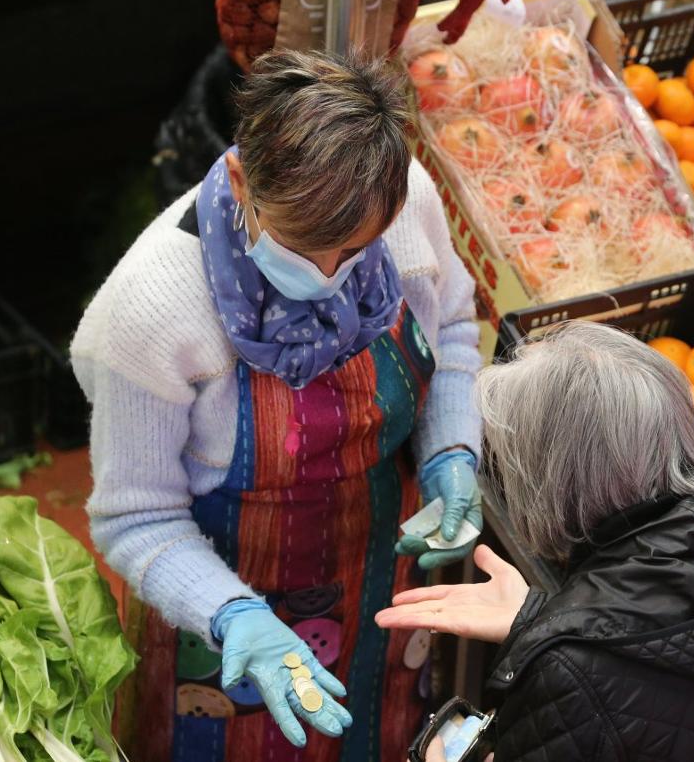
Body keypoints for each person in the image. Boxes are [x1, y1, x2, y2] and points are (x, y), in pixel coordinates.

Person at [72, 50, 483, 762]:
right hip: (225, 607)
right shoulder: (152, 313)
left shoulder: (406, 200)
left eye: (354, 251)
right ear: (239, 180)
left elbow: (450, 322)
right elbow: (134, 516)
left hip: (385, 575)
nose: (329, 278)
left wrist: (452, 448)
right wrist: (233, 617)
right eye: (304, 248)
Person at [377, 322, 694, 762]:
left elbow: (620, 688)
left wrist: (557, 640)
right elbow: (691, 663)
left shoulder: (569, 680)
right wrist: (546, 624)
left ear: (551, 485)